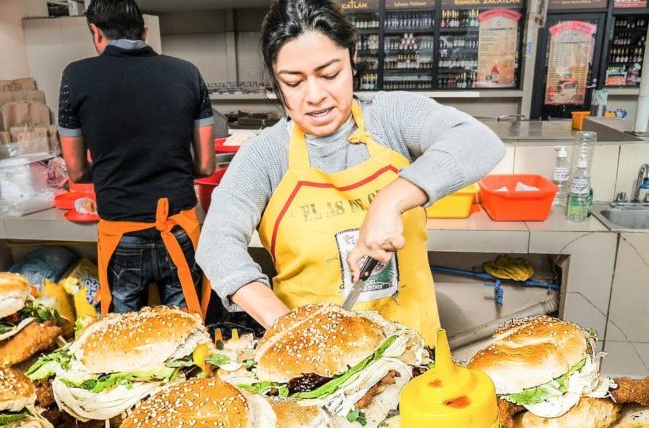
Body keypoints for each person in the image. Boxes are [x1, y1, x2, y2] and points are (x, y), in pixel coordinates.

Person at [196, 0, 504, 345]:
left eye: (330, 74)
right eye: (293, 82)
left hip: (414, 351)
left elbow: (479, 141)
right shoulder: (264, 155)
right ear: (275, 81)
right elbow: (216, 243)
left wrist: (391, 201)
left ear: (352, 59)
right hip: (314, 361)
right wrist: (287, 329)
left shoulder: (392, 119)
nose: (315, 96)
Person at [59, 0, 215, 316]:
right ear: (144, 33)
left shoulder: (76, 77)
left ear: (95, 32)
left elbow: (75, 172)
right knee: (185, 338)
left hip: (122, 234)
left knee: (123, 344)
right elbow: (206, 166)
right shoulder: (187, 73)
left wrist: (112, 170)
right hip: (179, 229)